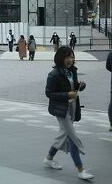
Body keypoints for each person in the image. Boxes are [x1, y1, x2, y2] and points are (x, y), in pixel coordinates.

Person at [43, 47, 94, 180]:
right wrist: (67, 95)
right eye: (67, 57)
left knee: (63, 134)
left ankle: (49, 158)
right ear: (60, 58)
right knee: (72, 136)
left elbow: (73, 86)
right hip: (61, 109)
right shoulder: (53, 74)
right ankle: (80, 169)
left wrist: (80, 86)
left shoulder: (72, 71)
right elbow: (49, 93)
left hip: (72, 106)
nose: (70, 60)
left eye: (71, 57)